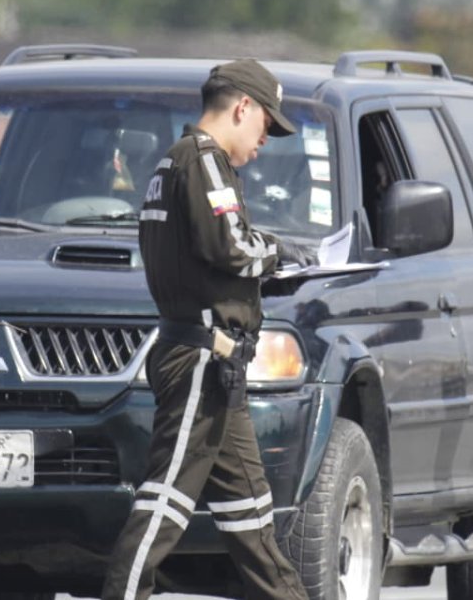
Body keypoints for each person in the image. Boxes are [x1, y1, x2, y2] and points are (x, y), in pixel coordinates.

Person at [100, 59, 315, 600]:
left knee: (252, 523)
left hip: (216, 364)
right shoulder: (202, 162)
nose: (266, 139)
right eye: (267, 124)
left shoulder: (175, 165)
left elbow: (207, 257)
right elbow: (230, 246)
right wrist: (284, 254)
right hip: (199, 358)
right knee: (163, 505)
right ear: (242, 107)